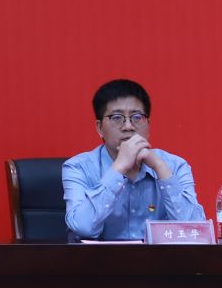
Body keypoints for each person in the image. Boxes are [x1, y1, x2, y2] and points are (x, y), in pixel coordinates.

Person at [63, 78, 203, 240]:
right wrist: (118, 168)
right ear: (100, 128)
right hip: (102, 257)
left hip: (160, 257)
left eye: (137, 117)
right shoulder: (78, 167)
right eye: (117, 117)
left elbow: (195, 231)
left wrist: (160, 168)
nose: (128, 126)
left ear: (148, 125)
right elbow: (82, 228)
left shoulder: (175, 166)